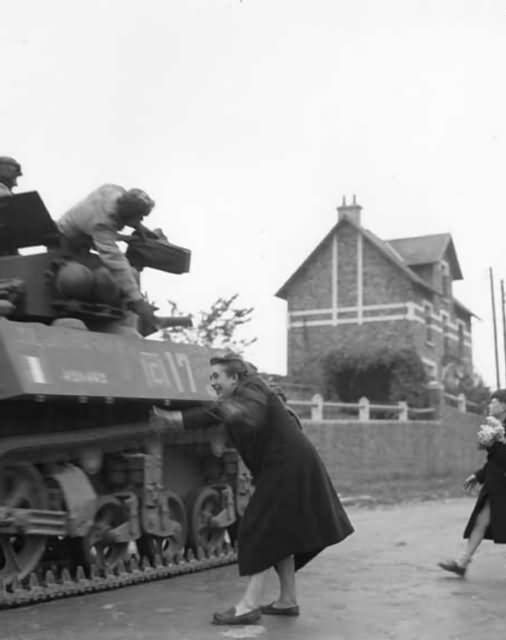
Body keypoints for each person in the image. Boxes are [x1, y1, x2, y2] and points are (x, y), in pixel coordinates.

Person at [149, 353, 354, 626]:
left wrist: (177, 418)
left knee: (258, 528)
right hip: (285, 465)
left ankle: (248, 606)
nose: (213, 383)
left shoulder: (252, 388)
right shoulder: (239, 398)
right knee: (281, 532)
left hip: (287, 466)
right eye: (211, 378)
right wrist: (188, 418)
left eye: (217, 377)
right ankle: (287, 600)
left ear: (235, 377)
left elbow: (246, 415)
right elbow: (221, 414)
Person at [437, 389, 506, 587]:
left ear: (505, 406)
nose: (490, 405)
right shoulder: (493, 428)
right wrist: (479, 475)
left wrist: (500, 440)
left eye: (494, 401)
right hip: (498, 487)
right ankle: (462, 562)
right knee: (481, 521)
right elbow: (494, 462)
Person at [56, 184, 159, 334]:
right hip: (69, 242)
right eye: (139, 216)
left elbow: (120, 214)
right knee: (94, 277)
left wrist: (139, 227)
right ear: (127, 213)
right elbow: (115, 260)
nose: (142, 219)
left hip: (86, 232)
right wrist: (137, 300)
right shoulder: (102, 223)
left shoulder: (115, 192)